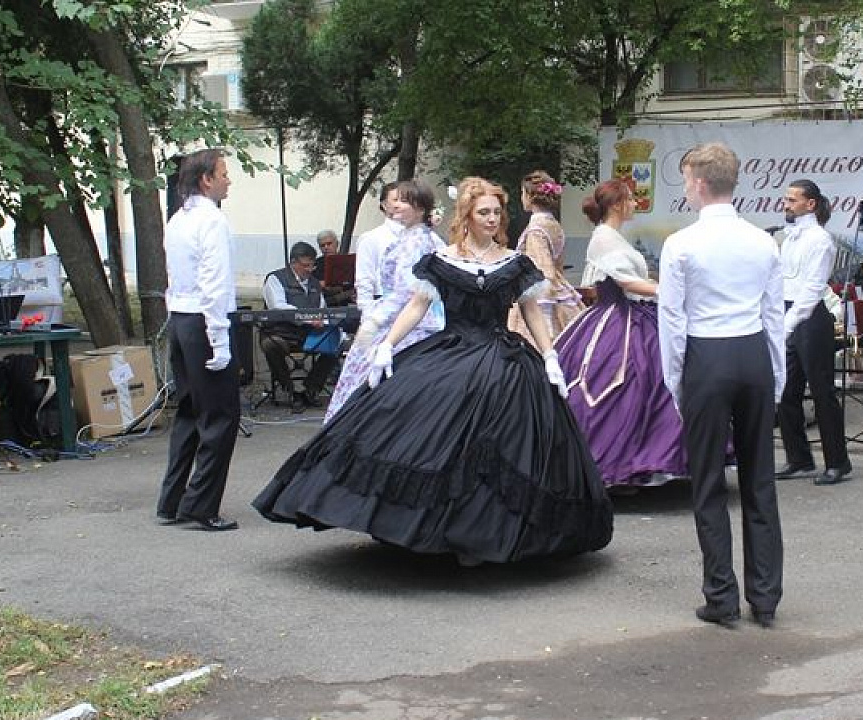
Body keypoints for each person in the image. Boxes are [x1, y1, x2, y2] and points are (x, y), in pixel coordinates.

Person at [253, 177, 612, 564]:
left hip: (503, 357)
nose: (492, 219)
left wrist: (550, 356)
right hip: (450, 350)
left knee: (508, 438)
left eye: (497, 212)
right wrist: (386, 346)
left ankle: (487, 534)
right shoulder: (441, 262)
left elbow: (531, 312)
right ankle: (427, 530)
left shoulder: (515, 264)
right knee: (421, 429)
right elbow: (415, 307)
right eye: (484, 213)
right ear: (467, 216)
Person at [658, 142, 784, 629]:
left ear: (700, 183)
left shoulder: (681, 244)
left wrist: (676, 382)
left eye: (687, 179)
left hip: (705, 356)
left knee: (708, 482)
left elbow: (672, 318)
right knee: (760, 481)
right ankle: (766, 598)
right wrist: (775, 377)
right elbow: (774, 313)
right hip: (752, 353)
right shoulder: (762, 241)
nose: (686, 187)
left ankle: (722, 597)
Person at [553, 179, 684, 491]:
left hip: (634, 315)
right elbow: (626, 282)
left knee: (653, 383)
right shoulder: (604, 237)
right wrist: (671, 290)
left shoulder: (612, 236)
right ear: (616, 204)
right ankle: (620, 462)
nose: (635, 203)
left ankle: (651, 459)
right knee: (624, 384)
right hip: (619, 317)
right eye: (630, 199)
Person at [156, 148, 240, 532]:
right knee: (220, 415)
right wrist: (219, 339)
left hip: (181, 319)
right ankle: (201, 505)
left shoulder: (178, 218)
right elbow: (215, 282)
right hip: (206, 322)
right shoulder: (211, 221)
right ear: (207, 179)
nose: (228, 180)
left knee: (190, 410)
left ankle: (172, 500)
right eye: (224, 173)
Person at [324, 180, 443, 422]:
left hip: (406, 317)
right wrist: (369, 318)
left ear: (420, 208)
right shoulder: (380, 238)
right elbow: (365, 284)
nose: (397, 205)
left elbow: (405, 291)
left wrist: (375, 325)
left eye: (405, 200)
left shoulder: (421, 239)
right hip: (396, 312)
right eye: (395, 200)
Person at [775, 180, 852, 485]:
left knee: (822, 392)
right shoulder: (790, 237)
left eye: (792, 200)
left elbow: (811, 288)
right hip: (788, 313)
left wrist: (788, 323)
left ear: (811, 204)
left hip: (809, 317)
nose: (786, 204)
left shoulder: (820, 239)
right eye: (785, 199)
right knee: (785, 390)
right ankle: (799, 458)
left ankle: (838, 462)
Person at [259, 241, 339, 411]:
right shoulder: (275, 279)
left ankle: (312, 388)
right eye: (305, 266)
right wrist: (308, 318)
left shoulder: (314, 284)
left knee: (336, 346)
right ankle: (289, 389)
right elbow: (277, 306)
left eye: (312, 265)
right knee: (270, 345)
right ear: (293, 263)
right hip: (281, 332)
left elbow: (322, 308)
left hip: (308, 335)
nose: (310, 270)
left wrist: (322, 321)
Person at [507, 170, 583, 344]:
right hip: (559, 286)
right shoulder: (553, 224)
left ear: (530, 196)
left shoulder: (536, 228)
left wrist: (542, 318)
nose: (522, 197)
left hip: (542, 293)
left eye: (522, 193)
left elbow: (542, 270)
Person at [353, 182, 402, 309]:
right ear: (384, 205)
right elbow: (364, 279)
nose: (401, 204)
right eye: (396, 200)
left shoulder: (422, 236)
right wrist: (366, 312)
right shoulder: (371, 238)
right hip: (383, 301)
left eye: (406, 200)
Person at [313, 229, 354, 308]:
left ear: (337, 244)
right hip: (326, 306)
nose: (326, 247)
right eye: (322, 245)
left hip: (348, 305)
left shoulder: (348, 261)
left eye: (329, 244)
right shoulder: (315, 264)